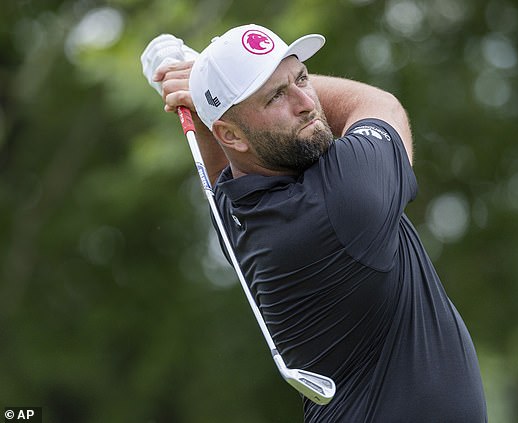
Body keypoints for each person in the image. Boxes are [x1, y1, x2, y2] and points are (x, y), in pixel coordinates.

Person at [145, 24, 487, 422]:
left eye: (302, 77)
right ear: (233, 134)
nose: (306, 101)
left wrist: (207, 94)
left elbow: (223, 155)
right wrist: (204, 79)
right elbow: (380, 105)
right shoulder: (344, 200)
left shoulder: (241, 210)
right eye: (276, 96)